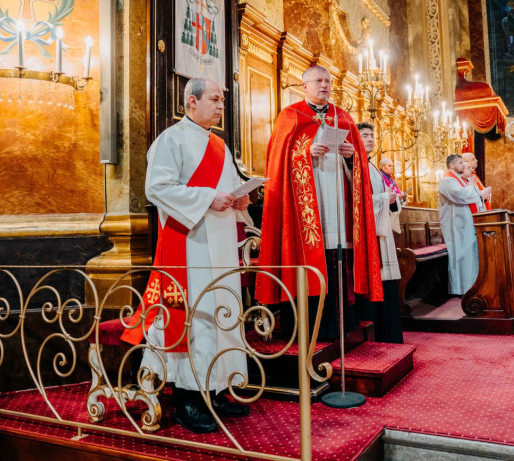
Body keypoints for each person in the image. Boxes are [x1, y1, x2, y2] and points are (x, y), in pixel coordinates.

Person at [126, 78, 250, 433]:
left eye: (223, 100)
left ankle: (218, 388)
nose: (221, 105)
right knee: (197, 318)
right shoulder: (171, 140)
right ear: (191, 102)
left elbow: (227, 190)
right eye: (215, 99)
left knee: (222, 315)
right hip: (189, 244)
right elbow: (157, 188)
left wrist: (240, 199)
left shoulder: (220, 145)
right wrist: (208, 198)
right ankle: (188, 398)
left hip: (220, 244)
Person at [255, 65, 383, 340]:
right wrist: (305, 153)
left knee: (338, 259)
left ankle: (341, 325)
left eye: (327, 81)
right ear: (305, 86)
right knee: (310, 259)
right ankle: (306, 328)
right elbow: (277, 163)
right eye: (318, 81)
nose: (324, 85)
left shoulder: (343, 117)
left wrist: (351, 155)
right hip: (304, 209)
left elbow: (360, 165)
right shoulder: (290, 116)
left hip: (337, 203)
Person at [356, 122, 403, 343]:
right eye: (364, 135)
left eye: (372, 136)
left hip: (380, 231)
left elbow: (381, 196)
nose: (370, 139)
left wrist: (391, 200)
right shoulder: (356, 165)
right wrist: (386, 198)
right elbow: (357, 201)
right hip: (370, 235)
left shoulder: (372, 166)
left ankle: (390, 335)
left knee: (387, 285)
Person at [437, 154, 491, 296]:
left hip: (466, 224)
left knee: (470, 256)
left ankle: (472, 286)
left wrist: (479, 194)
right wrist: (473, 189)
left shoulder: (459, 179)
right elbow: (460, 195)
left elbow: (472, 197)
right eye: (461, 163)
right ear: (452, 165)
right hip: (457, 226)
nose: (464, 165)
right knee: (462, 256)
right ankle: (462, 289)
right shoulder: (447, 180)